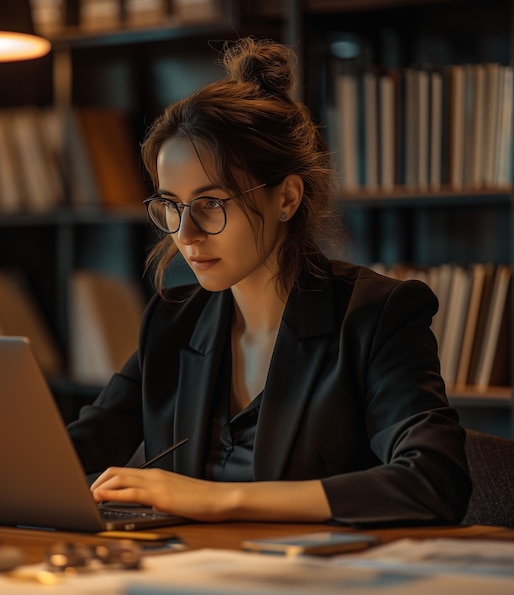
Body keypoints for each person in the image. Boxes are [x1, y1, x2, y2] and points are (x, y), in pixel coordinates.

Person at [68, 37, 471, 526]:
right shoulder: (173, 322)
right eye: (171, 206)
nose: (186, 233)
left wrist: (218, 500)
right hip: (184, 579)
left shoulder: (377, 315)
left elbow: (433, 481)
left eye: (212, 203)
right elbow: (67, 457)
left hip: (316, 586)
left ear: (287, 198)